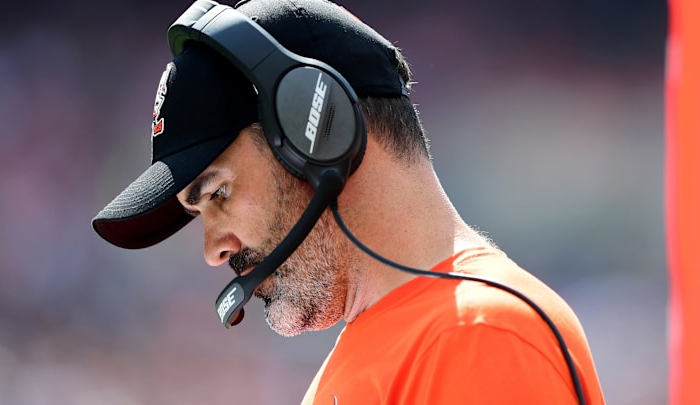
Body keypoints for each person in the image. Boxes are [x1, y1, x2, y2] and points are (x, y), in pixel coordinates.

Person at [92, 0, 605, 403]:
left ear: (313, 131)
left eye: (218, 193)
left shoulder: (478, 335)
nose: (213, 251)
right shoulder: (401, 345)